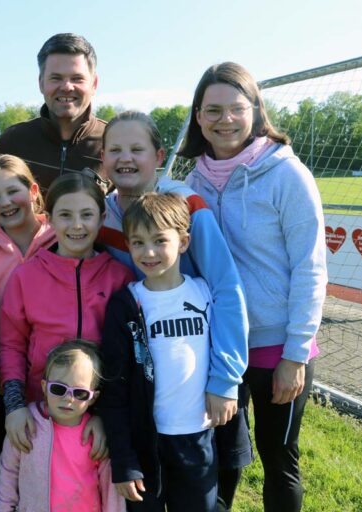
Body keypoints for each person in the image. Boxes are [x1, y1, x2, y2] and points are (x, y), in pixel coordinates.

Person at [181, 62, 327, 512]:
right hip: (220, 345)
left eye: (236, 108)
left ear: (256, 111)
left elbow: (310, 267)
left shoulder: (286, 173)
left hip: (275, 346)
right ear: (198, 118)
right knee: (223, 459)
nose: (225, 119)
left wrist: (294, 354)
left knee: (277, 457)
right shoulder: (191, 182)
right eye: (212, 110)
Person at [97, 111, 252, 510]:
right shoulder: (101, 213)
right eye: (115, 149)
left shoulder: (185, 205)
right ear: (102, 158)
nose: (125, 158)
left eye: (137, 149)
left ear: (158, 154)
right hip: (143, 392)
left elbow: (226, 289)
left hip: (201, 386)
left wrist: (225, 377)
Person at [100, 193, 223, 511]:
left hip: (197, 438)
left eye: (159, 240)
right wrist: (124, 460)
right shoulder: (125, 305)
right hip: (146, 444)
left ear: (183, 242)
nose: (148, 252)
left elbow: (227, 347)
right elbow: (115, 389)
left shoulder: (205, 292)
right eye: (138, 242)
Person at [0, 173, 134, 459]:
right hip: (39, 416)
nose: (76, 225)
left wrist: (105, 415)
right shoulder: (26, 276)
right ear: (49, 218)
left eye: (87, 214)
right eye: (65, 215)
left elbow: (125, 356)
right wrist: (15, 406)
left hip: (99, 417)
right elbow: (11, 345)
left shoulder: (119, 277)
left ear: (101, 218)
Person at [0, 154, 56, 511]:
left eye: (12, 191)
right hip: (15, 385)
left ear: (33, 191)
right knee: (3, 481)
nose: (5, 203)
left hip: (63, 381)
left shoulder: (61, 234)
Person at [0, 339, 126, 512]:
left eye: (80, 393)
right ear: (44, 387)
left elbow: (111, 492)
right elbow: (7, 476)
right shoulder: (26, 425)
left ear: (93, 397)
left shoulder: (96, 436)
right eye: (58, 389)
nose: (68, 398)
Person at [0, 33, 106, 191]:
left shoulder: (113, 143)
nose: (67, 87)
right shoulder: (13, 141)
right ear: (41, 83)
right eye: (56, 78)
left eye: (77, 78)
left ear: (94, 84)